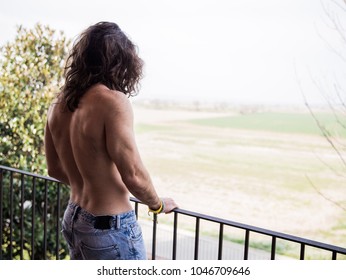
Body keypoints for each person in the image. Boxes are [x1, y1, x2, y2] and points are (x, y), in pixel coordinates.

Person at [44, 21, 178, 260]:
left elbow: (54, 168)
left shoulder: (59, 103)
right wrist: (156, 204)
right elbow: (133, 174)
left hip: (75, 219)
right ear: (121, 62)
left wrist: (88, 182)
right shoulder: (113, 102)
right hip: (109, 228)